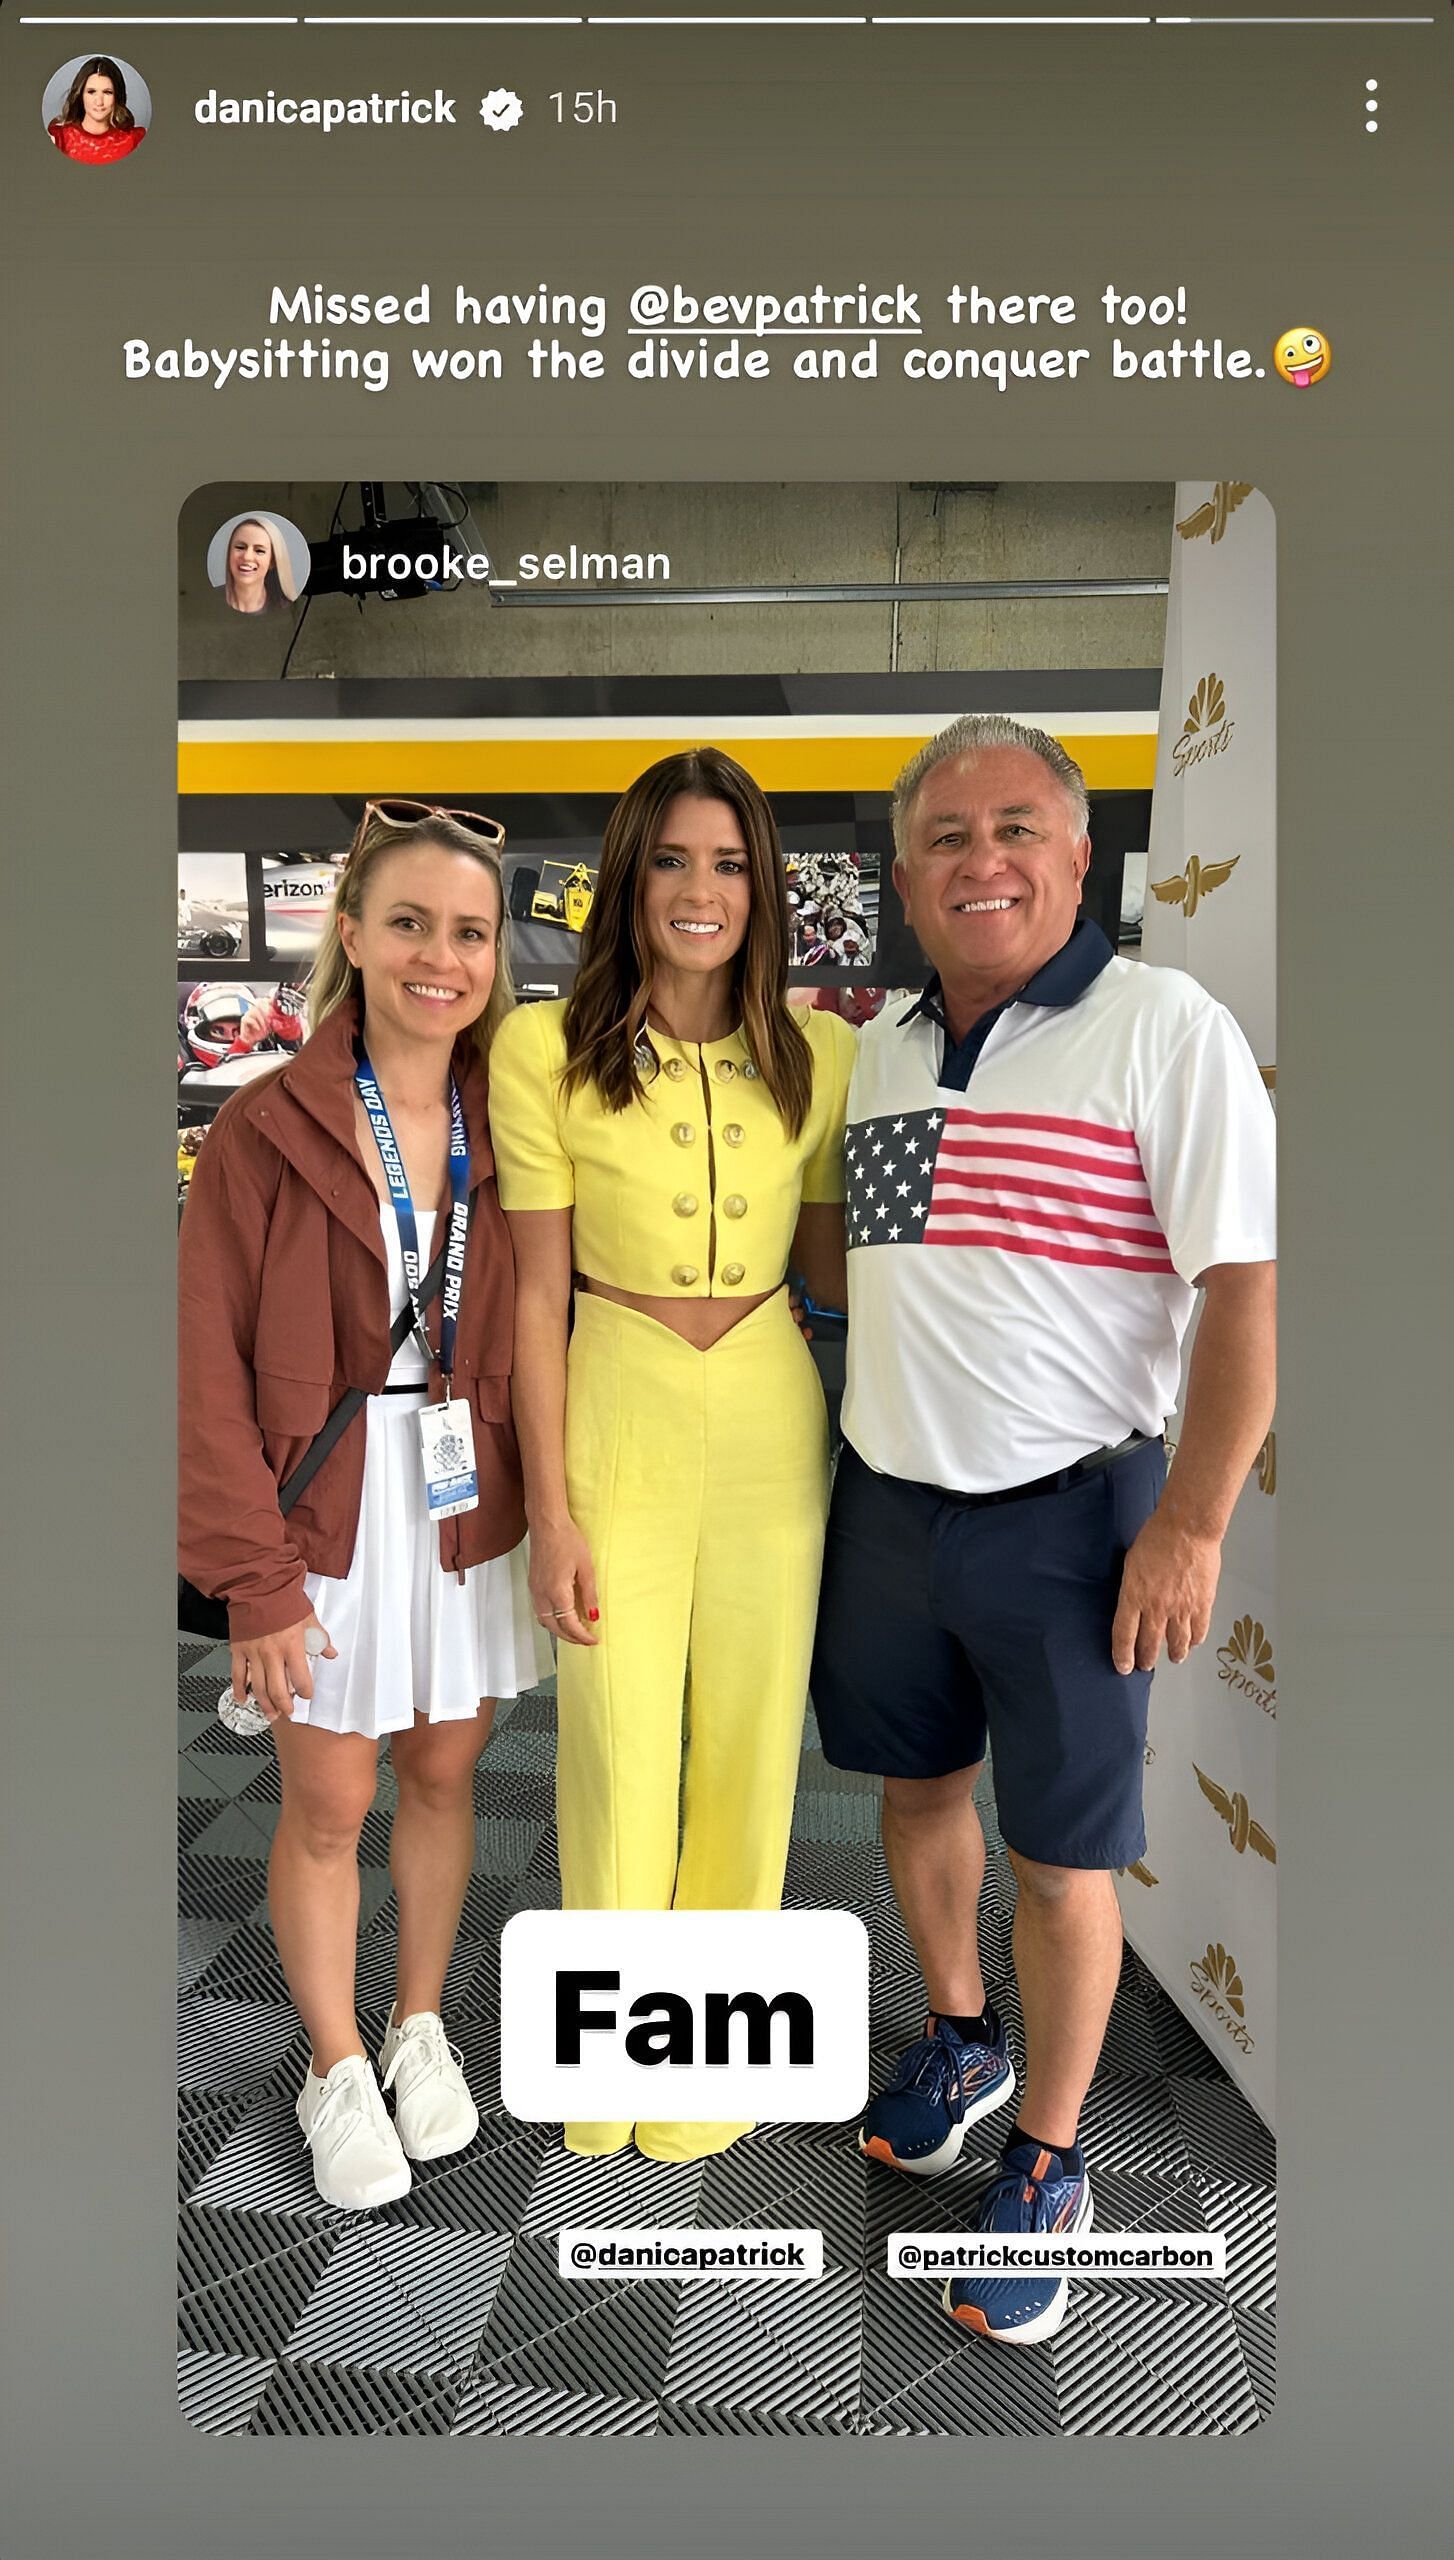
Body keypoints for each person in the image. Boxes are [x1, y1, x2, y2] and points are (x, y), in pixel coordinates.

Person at [810, 713, 1276, 2346]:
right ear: (902, 873)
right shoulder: (873, 1044)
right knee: (916, 1791)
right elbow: (861, 1267)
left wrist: (1191, 1520)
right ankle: (957, 2033)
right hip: (882, 1500)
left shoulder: (1162, 1026)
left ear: (1078, 858)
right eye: (942, 837)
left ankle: (1049, 2159)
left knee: (1061, 1861)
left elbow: (1239, 1288)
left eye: (1015, 827)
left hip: (1072, 1517)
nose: (978, 859)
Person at [179, 800, 550, 2211]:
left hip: (467, 1494)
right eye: (408, 924)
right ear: (350, 934)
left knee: (446, 1776)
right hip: (319, 1504)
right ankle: (332, 2061)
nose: (439, 957)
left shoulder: (515, 1117)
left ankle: (417, 2021)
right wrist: (250, 1582)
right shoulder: (264, 1128)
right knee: (329, 1797)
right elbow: (200, 1372)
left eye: (467, 931)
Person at [489, 747, 855, 2164]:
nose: (701, 891)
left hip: (769, 1407)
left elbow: (834, 1263)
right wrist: (552, 1509)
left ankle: (708, 2069)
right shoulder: (543, 1050)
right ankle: (606, 2064)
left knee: (754, 1746)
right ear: (627, 877)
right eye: (671, 860)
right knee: (615, 1744)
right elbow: (531, 1295)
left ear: (762, 886)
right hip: (616, 1402)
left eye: (728, 863)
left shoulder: (818, 1054)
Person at [47, 57, 146, 164]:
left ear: (117, 96)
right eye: (91, 92)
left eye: (107, 92)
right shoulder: (58, 138)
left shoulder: (136, 140)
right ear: (80, 95)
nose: (99, 102)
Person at [223, 516, 298, 614]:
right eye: (240, 547)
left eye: (259, 551)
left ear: (272, 561)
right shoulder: (208, 599)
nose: (247, 557)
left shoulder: (285, 608)